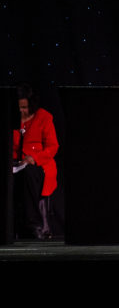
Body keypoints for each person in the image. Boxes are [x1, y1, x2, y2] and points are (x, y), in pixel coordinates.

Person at [11, 84, 59, 239]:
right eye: (19, 107)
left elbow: (53, 146)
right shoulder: (12, 118)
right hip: (17, 162)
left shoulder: (44, 117)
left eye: (25, 107)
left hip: (39, 163)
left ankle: (34, 224)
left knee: (28, 175)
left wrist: (34, 158)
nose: (22, 111)